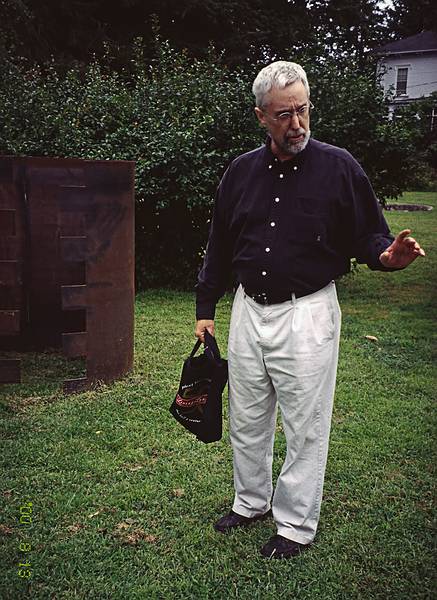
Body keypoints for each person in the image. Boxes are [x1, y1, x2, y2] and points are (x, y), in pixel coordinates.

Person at [194, 61, 425, 560]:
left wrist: (387, 256)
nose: (296, 123)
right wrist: (204, 306)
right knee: (247, 415)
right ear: (261, 117)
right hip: (247, 311)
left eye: (301, 111)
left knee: (305, 423)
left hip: (308, 313)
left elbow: (369, 235)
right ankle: (251, 501)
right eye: (283, 115)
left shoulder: (340, 167)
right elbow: (219, 242)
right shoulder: (239, 172)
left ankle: (295, 524)